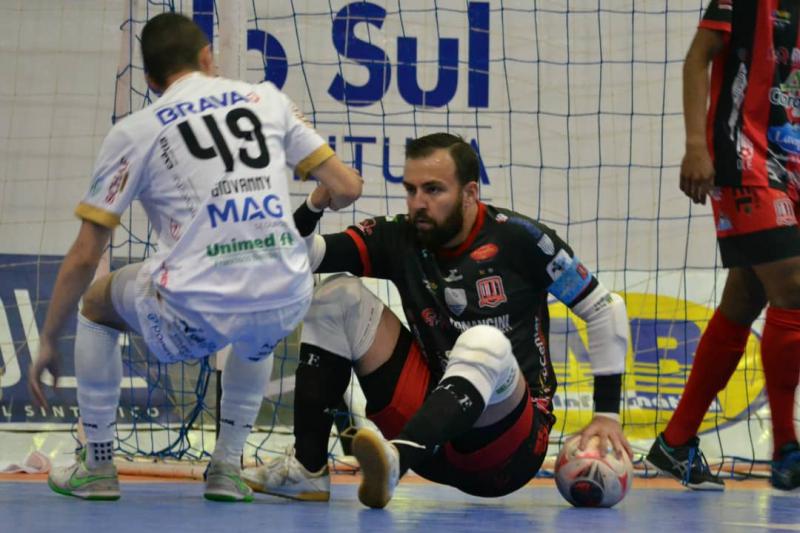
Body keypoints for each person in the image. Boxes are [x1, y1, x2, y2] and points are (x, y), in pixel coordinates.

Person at [27, 12, 362, 502]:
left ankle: (97, 464)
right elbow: (347, 187)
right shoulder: (268, 99)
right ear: (208, 57)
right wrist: (315, 200)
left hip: (193, 306)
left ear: (149, 79)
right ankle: (226, 466)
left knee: (98, 304)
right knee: (255, 326)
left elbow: (84, 255)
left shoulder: (136, 130)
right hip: (285, 295)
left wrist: (49, 340)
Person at [243, 133, 633, 508]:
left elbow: (603, 307)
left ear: (470, 194)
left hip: (507, 450)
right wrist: (316, 202)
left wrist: (606, 414)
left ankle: (396, 459)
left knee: (486, 340)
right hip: (434, 441)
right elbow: (297, 258)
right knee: (335, 296)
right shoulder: (399, 236)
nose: (418, 203)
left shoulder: (520, 240)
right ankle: (307, 469)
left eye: (433, 190)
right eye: (411, 190)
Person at [646, 0, 800, 492]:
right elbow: (699, 57)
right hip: (743, 158)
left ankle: (677, 439)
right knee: (793, 287)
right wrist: (697, 144)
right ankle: (786, 448)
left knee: (744, 299)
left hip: (790, 162)